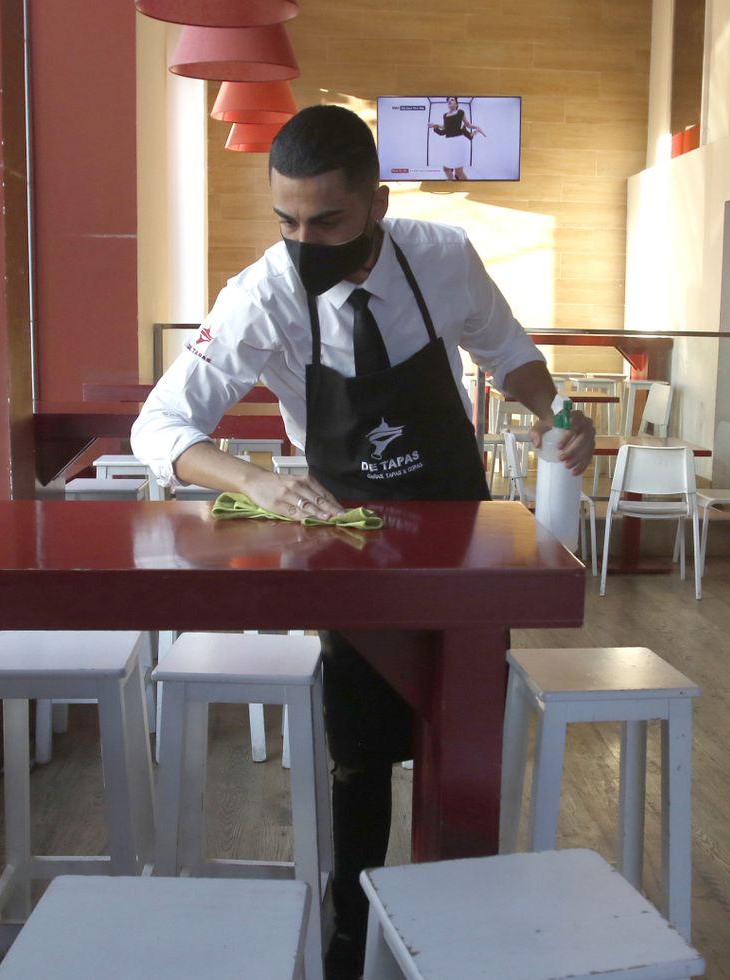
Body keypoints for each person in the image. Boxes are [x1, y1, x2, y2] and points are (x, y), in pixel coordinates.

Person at [131, 104, 594, 979]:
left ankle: (458, 921)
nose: (306, 239)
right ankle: (354, 932)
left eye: (328, 220)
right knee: (360, 745)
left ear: (377, 202)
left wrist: (557, 415)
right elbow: (159, 427)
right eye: (288, 221)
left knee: (464, 725)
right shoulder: (262, 294)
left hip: (463, 533)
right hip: (345, 537)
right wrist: (255, 480)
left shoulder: (444, 258)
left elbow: (509, 353)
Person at [427, 96, 484, 180]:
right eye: (448, 100)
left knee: (458, 172)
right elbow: (444, 126)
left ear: (456, 103)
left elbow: (468, 124)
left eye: (452, 100)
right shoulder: (445, 115)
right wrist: (434, 125)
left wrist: (477, 127)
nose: (449, 101)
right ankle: (452, 184)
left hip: (458, 142)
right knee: (446, 169)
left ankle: (466, 187)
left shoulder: (460, 112)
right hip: (448, 143)